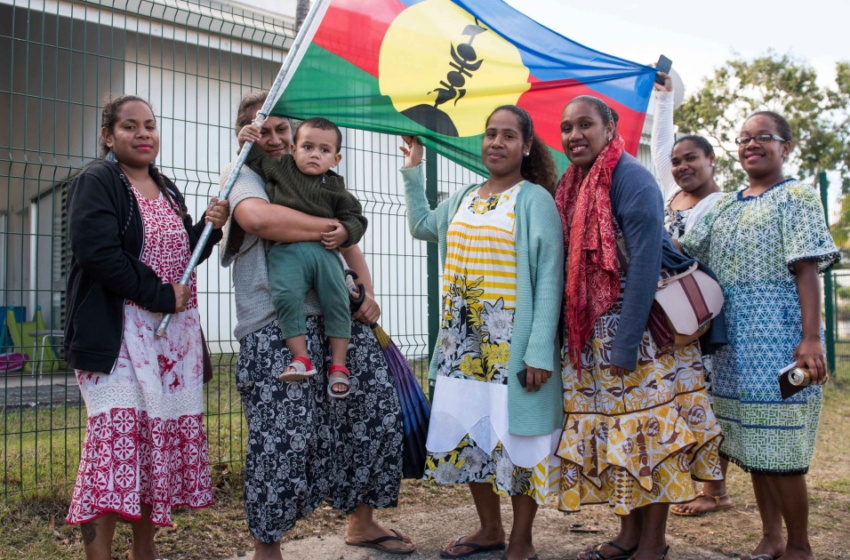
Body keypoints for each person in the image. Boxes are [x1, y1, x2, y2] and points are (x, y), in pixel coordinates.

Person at [221, 92, 413, 559]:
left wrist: (366, 294)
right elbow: (258, 218)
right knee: (283, 435)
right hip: (274, 325)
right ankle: (268, 544)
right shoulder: (244, 174)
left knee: (373, 413)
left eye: (281, 129)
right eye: (259, 128)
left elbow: (351, 244)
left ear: (294, 133)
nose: (272, 137)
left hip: (337, 318)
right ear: (244, 134)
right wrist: (329, 224)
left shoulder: (316, 174)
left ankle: (362, 522)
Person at [555, 95, 723, 560]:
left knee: (650, 438)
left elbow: (646, 262)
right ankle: (627, 535)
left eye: (585, 124)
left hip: (641, 335)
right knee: (617, 438)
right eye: (567, 127)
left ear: (610, 128)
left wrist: (626, 343)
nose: (574, 135)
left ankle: (653, 542)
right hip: (592, 337)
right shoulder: (572, 183)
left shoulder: (632, 177)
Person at [64, 94, 229, 560]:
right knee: (113, 449)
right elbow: (98, 253)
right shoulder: (97, 181)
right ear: (108, 136)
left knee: (150, 450)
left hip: (169, 344)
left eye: (150, 125)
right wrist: (158, 296)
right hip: (117, 336)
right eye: (129, 127)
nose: (143, 134)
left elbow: (179, 258)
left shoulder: (166, 187)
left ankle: (145, 555)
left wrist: (208, 231)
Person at [400, 104, 564, 560]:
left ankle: (522, 539)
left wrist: (537, 353)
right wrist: (412, 171)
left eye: (509, 135)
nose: (497, 142)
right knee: (471, 438)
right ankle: (489, 529)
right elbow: (420, 226)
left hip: (511, 347)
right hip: (460, 345)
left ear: (526, 146)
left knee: (518, 441)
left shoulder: (536, 201)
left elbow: (550, 278)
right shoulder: (463, 198)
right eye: (491, 134)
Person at [680, 111, 838, 560]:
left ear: (785, 147)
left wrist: (810, 339)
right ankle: (770, 538)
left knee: (783, 452)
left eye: (763, 137)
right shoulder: (727, 204)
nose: (751, 145)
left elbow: (807, 269)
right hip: (733, 349)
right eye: (744, 139)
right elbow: (685, 250)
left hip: (782, 345)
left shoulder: (798, 197)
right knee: (753, 446)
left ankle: (800, 547)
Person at [652, 71, 731, 517]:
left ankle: (714, 491)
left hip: (704, 311)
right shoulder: (671, 193)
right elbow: (662, 146)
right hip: (671, 309)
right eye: (678, 161)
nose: (682, 166)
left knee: (706, 394)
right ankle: (705, 484)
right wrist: (664, 99)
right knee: (688, 392)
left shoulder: (723, 203)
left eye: (691, 159)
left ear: (712, 160)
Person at [244, 116, 368, 398]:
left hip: (325, 254)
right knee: (285, 297)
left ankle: (339, 365)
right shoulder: (280, 169)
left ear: (336, 158)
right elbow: (253, 161)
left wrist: (344, 232)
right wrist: (246, 138)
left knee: (337, 300)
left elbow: (356, 220)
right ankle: (300, 358)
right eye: (307, 147)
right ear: (293, 148)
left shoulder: (337, 188)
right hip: (285, 252)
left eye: (324, 151)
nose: (315, 154)